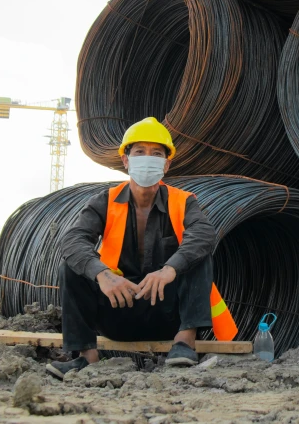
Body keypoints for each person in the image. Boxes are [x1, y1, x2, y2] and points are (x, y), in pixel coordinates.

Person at [47, 117, 235, 379]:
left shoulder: (183, 201)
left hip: (167, 315)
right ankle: (85, 357)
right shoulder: (105, 200)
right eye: (139, 152)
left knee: (198, 255)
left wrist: (170, 269)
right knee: (72, 266)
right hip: (117, 308)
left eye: (156, 153)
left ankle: (185, 343)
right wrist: (102, 274)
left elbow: (203, 235)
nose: (148, 159)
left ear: (167, 164)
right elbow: (73, 239)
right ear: (126, 160)